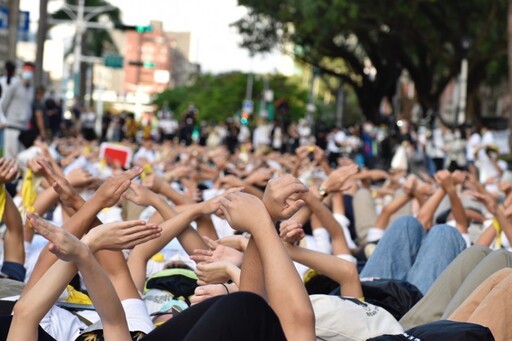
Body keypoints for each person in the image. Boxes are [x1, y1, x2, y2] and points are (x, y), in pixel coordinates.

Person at [1, 63, 35, 158]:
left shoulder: (31, 89)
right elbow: (4, 104)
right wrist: (9, 118)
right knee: (10, 158)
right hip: (12, 127)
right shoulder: (14, 86)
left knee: (21, 158)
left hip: (24, 128)